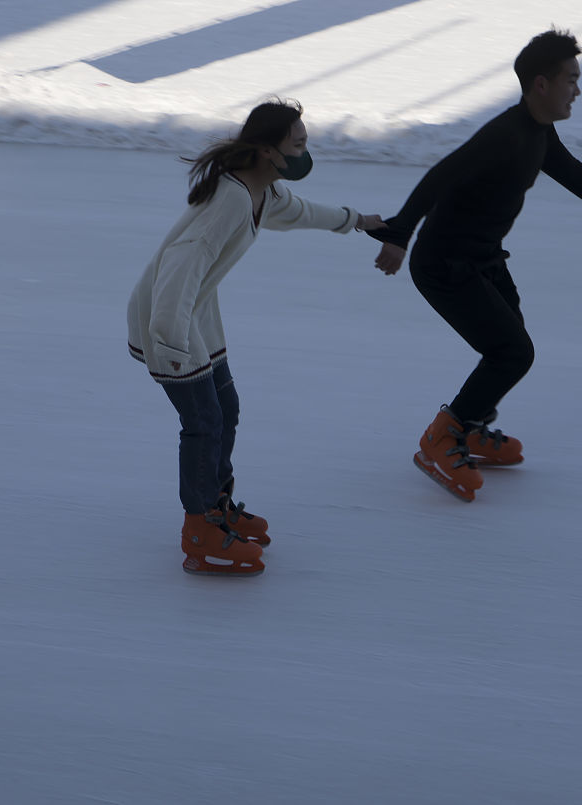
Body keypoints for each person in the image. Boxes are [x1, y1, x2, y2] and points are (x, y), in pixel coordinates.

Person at [370, 28, 582, 502]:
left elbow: (571, 171)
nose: (577, 90)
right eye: (570, 80)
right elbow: (441, 174)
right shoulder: (504, 134)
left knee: (509, 342)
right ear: (541, 84)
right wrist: (399, 234)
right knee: (512, 352)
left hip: (482, 258)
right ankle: (442, 436)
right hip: (444, 264)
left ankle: (473, 425)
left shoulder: (539, 132)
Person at [127, 100, 384, 576]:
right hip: (169, 323)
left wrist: (359, 220)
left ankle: (217, 504)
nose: (306, 152)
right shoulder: (229, 200)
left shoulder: (261, 191)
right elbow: (181, 266)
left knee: (227, 410)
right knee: (203, 421)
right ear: (268, 151)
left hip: (196, 317)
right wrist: (169, 339)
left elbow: (301, 212)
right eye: (299, 143)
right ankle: (200, 527)